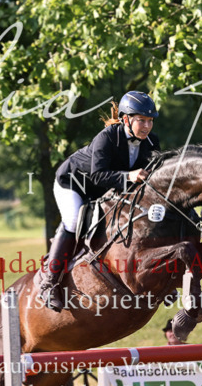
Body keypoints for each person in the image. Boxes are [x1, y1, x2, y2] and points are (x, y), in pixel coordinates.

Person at [37, 91, 160, 311]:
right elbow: (98, 176)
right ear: (126, 119)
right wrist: (128, 176)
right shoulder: (107, 137)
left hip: (104, 190)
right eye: (141, 120)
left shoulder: (151, 141)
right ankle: (49, 282)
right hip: (73, 183)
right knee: (74, 222)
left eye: (150, 120)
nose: (147, 126)